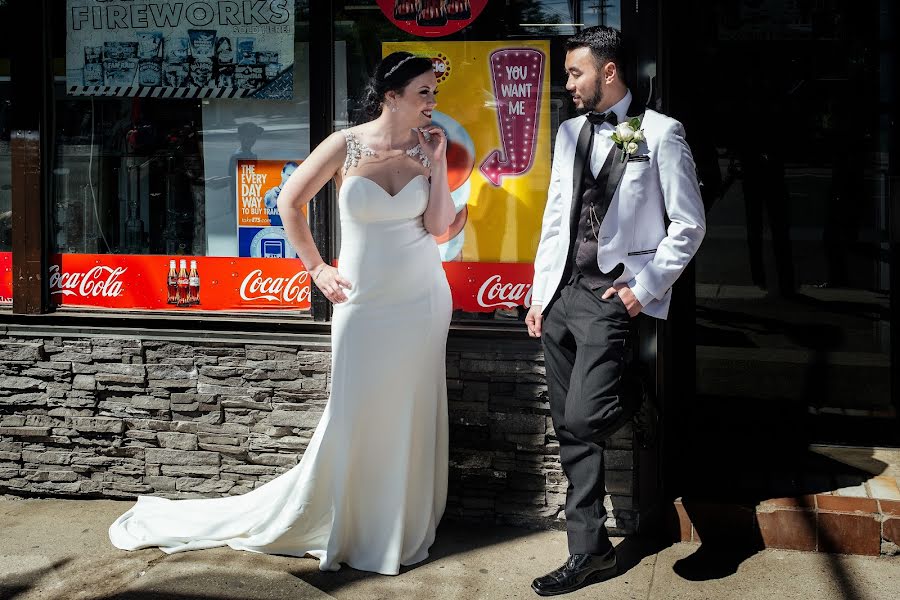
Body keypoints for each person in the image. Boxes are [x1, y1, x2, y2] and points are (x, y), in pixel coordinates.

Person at [108, 51, 455, 576]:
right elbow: (289, 202)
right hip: (361, 302)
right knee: (354, 409)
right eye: (423, 92)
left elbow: (438, 227)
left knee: (413, 405)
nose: (433, 102)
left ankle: (399, 525)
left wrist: (442, 162)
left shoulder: (429, 148)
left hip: (422, 298)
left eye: (434, 92)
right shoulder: (345, 144)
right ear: (391, 96)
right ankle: (352, 520)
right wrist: (317, 269)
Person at [524, 27, 705, 596]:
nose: (569, 83)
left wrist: (643, 288)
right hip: (561, 295)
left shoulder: (662, 133)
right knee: (569, 430)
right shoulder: (570, 130)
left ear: (608, 72)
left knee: (582, 417)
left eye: (576, 72)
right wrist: (538, 293)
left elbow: (689, 224)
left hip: (610, 296)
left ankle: (631, 397)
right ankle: (590, 551)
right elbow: (557, 215)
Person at [263, 161, 299, 227]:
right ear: (282, 173)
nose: (290, 179)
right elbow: (270, 203)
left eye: (294, 176)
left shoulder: (298, 194)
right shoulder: (273, 192)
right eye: (289, 175)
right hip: (277, 233)